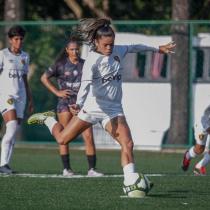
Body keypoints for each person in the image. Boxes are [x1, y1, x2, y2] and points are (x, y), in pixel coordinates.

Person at [27, 18, 175, 197]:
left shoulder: (118, 50)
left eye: (112, 44)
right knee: (62, 140)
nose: (109, 48)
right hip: (92, 108)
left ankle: (130, 182)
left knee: (127, 143)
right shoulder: (92, 60)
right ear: (96, 42)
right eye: (106, 45)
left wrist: (158, 49)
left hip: (113, 109)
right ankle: (48, 118)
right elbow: (85, 86)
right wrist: (78, 105)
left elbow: (135, 46)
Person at [40, 36, 103, 177]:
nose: (75, 52)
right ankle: (66, 169)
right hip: (65, 103)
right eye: (72, 49)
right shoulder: (60, 64)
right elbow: (43, 78)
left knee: (88, 136)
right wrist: (57, 92)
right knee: (64, 136)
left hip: (81, 104)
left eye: (77, 49)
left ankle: (92, 169)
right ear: (67, 50)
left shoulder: (85, 64)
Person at [0, 25, 33, 173]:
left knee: (13, 132)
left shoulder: (25, 56)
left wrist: (30, 99)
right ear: (10, 40)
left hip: (21, 97)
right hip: (6, 96)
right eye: (16, 39)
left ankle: (5, 164)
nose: (19, 42)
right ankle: (2, 164)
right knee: (12, 126)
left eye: (21, 39)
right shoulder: (3, 55)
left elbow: (25, 79)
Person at [182, 105, 210, 175]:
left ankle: (199, 167)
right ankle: (188, 155)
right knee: (199, 150)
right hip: (203, 125)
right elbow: (203, 119)